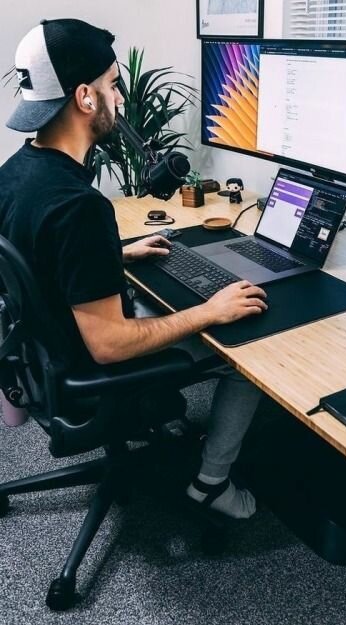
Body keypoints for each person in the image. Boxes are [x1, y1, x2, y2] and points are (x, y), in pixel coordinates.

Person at [0, 18, 267, 519]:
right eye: (113, 85)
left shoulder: (16, 173)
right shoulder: (79, 206)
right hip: (89, 367)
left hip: (44, 360)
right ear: (85, 97)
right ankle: (211, 483)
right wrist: (211, 311)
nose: (120, 98)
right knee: (248, 347)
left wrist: (114, 254)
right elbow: (110, 343)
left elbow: (39, 259)